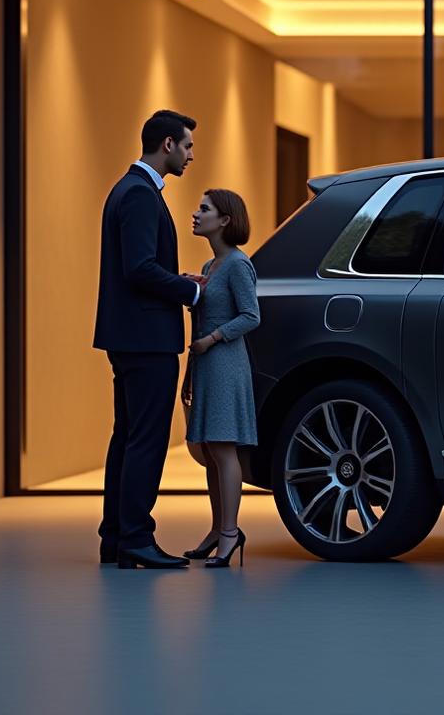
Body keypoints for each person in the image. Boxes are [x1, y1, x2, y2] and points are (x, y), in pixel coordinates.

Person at [94, 110, 205, 569]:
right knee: (146, 440)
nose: (191, 155)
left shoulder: (130, 190)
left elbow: (140, 265)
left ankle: (117, 537)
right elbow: (138, 269)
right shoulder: (139, 195)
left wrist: (176, 278)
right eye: (187, 146)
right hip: (146, 339)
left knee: (128, 437)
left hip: (132, 335)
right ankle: (135, 537)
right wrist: (192, 290)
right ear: (166, 145)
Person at [179, 189, 261, 568]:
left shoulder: (237, 265)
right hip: (209, 364)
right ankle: (219, 529)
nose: (196, 214)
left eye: (205, 209)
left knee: (225, 450)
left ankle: (230, 532)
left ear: (225, 220)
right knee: (212, 451)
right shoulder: (212, 267)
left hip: (225, 361)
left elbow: (251, 315)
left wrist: (212, 338)